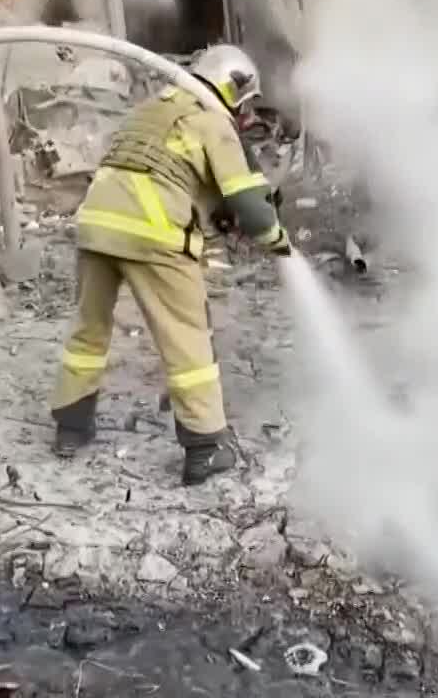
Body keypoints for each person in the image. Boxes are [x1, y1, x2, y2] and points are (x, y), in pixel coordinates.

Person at [48, 43, 292, 486]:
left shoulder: (153, 108)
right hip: (152, 231)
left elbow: (163, 170)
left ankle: (71, 426)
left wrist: (214, 211)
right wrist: (277, 240)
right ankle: (205, 448)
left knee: (89, 330)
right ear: (232, 89)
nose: (243, 114)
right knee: (187, 339)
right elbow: (252, 210)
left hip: (96, 223)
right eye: (244, 104)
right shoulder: (211, 119)